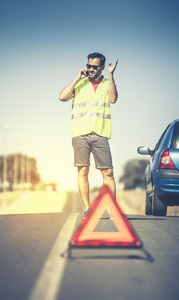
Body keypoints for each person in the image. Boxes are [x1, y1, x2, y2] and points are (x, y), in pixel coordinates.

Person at [59, 52, 118, 218]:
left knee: (108, 173)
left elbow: (113, 99)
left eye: (94, 66)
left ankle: (112, 209)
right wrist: (77, 78)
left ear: (101, 68)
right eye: (89, 66)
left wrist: (111, 75)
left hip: (100, 133)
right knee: (83, 171)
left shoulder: (107, 83)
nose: (90, 69)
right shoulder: (80, 83)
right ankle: (87, 208)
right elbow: (62, 97)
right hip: (80, 133)